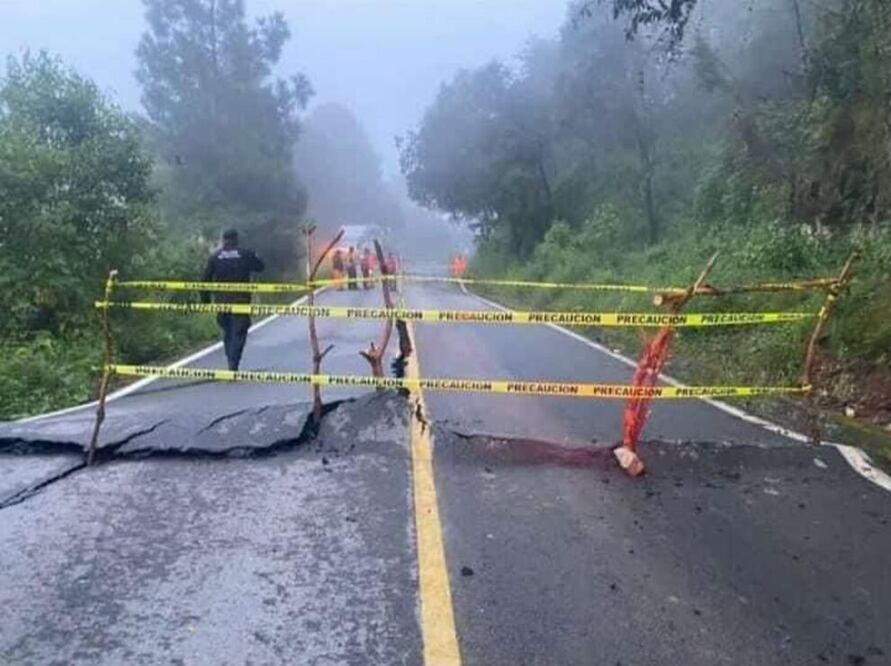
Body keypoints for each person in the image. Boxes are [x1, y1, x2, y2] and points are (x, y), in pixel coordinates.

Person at [201, 229, 264, 371]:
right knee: (239, 331)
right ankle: (233, 363)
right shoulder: (245, 254)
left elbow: (204, 280)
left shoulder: (215, 257)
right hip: (240, 300)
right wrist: (255, 256)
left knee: (228, 331)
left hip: (221, 302)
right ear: (236, 239)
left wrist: (205, 301)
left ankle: (231, 358)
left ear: (224, 240)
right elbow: (260, 267)